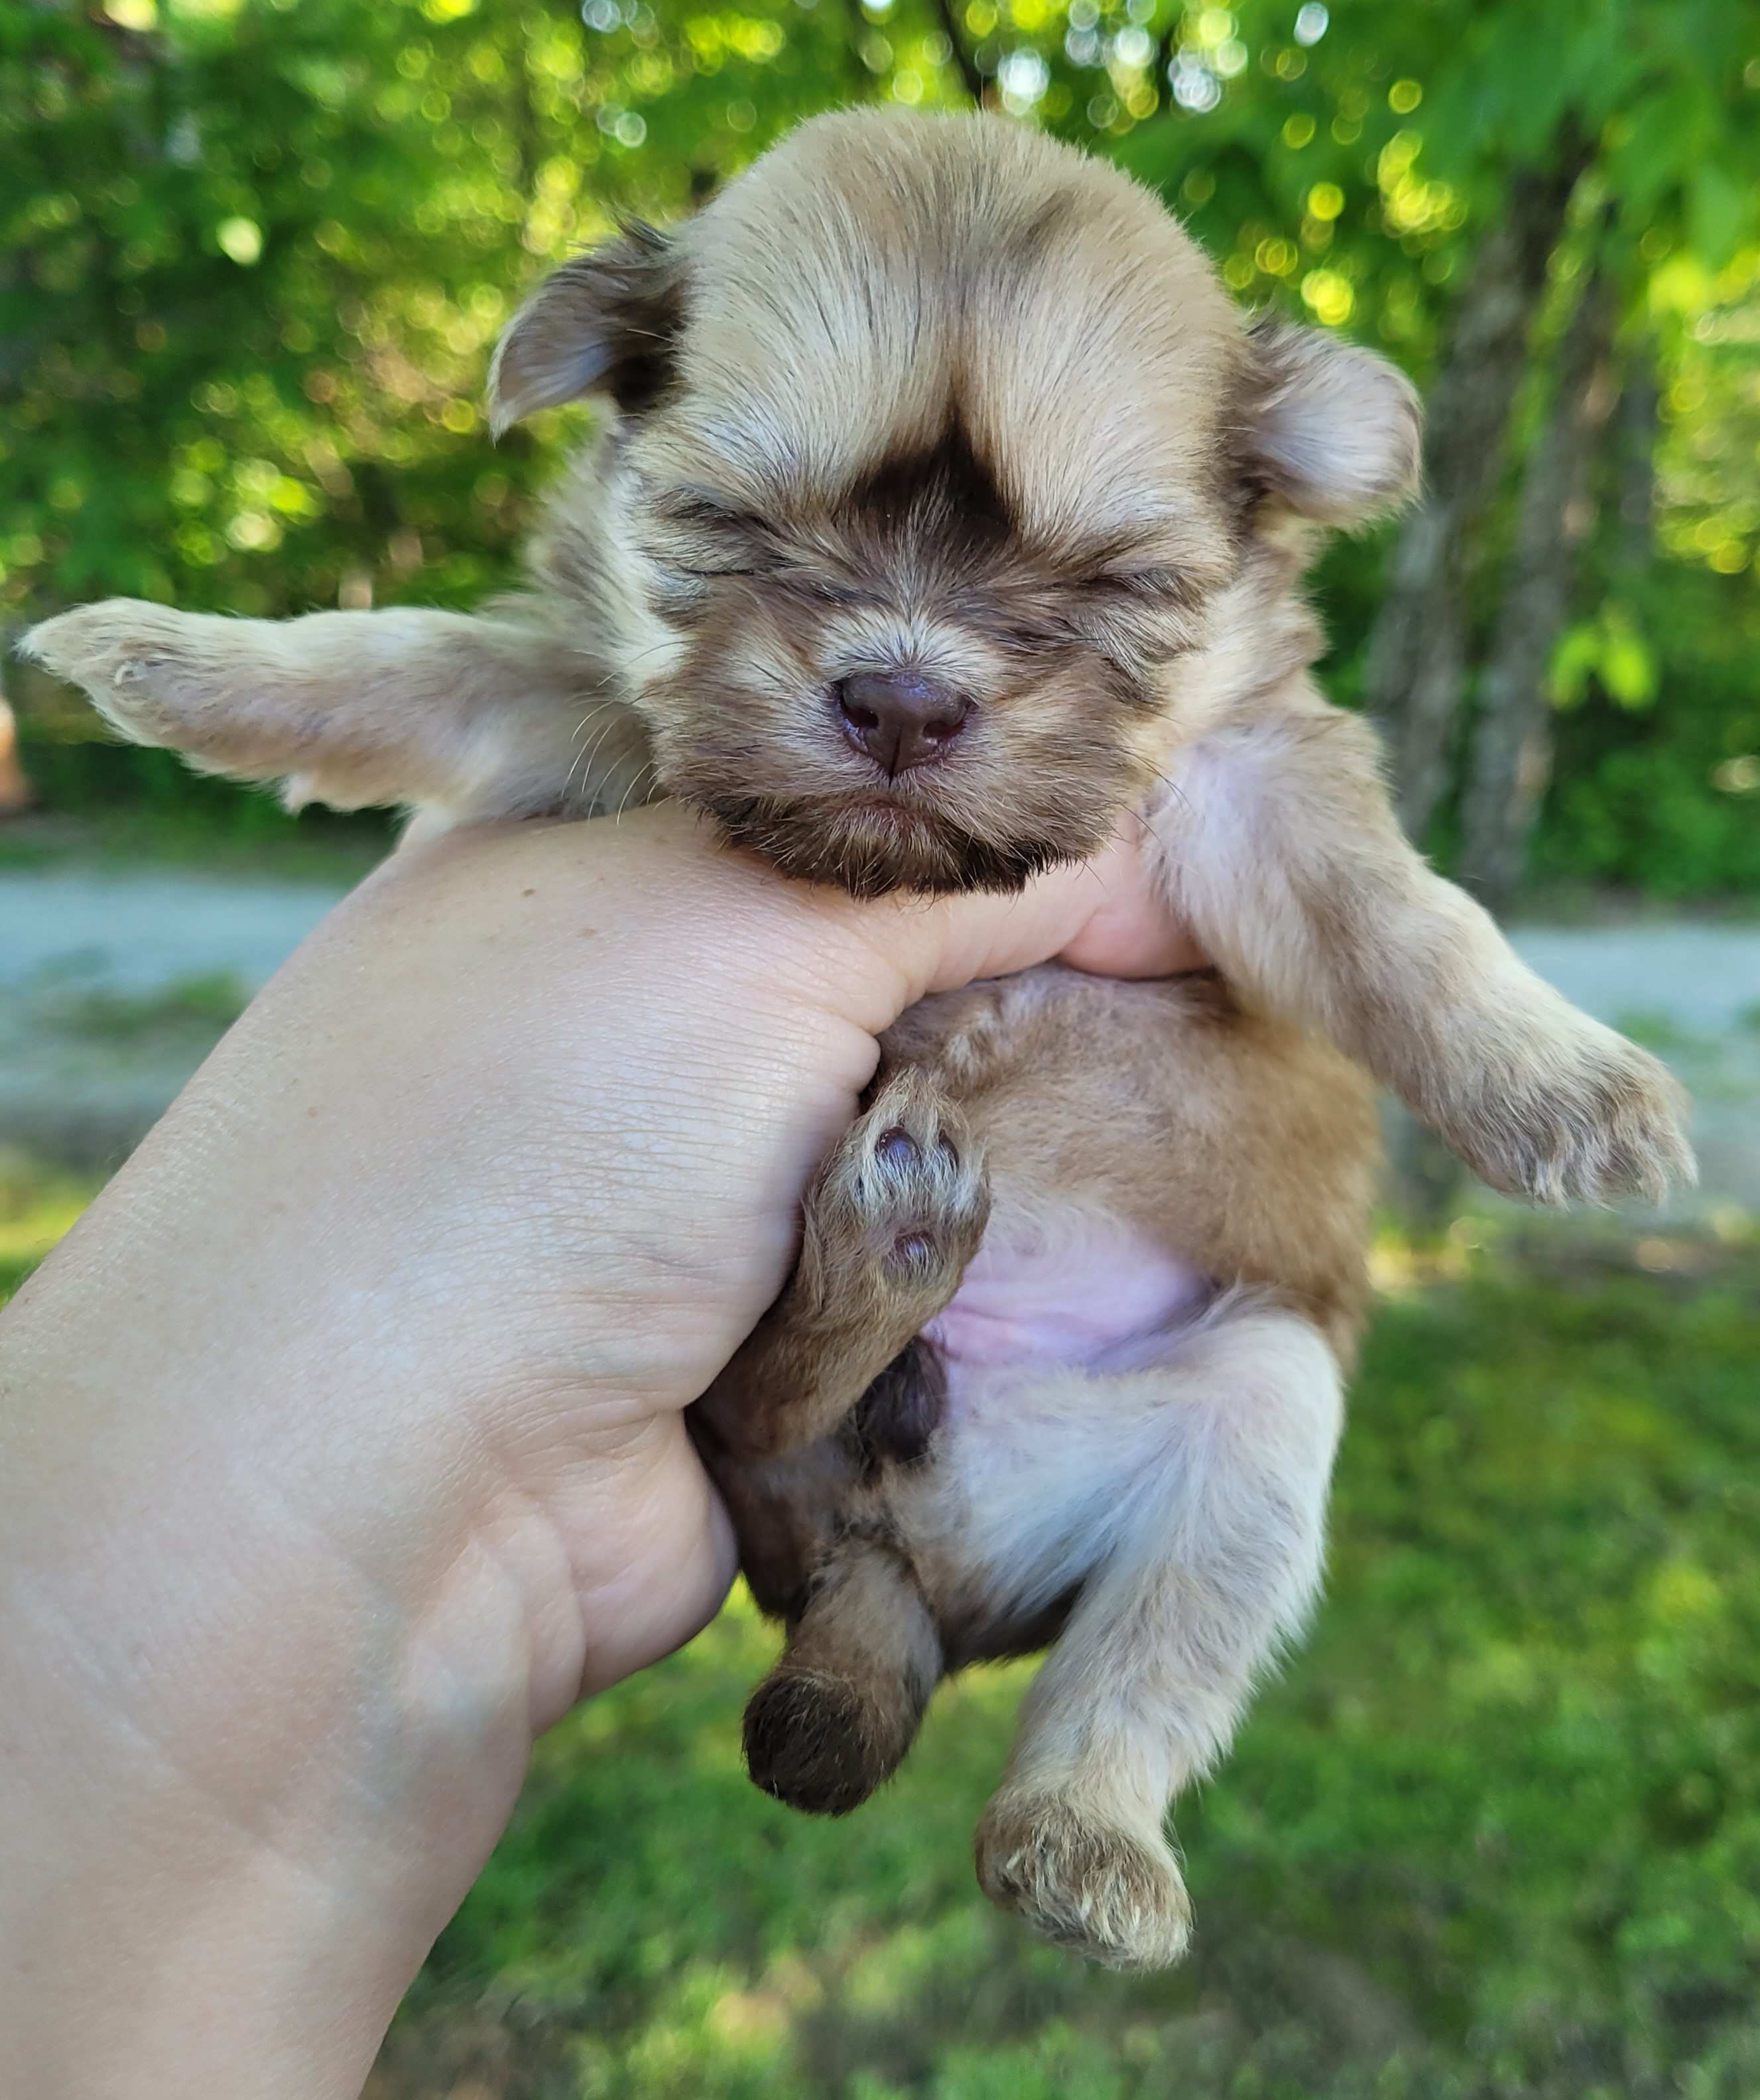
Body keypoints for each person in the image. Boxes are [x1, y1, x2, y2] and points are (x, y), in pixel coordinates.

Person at [0, 803, 1200, 2098]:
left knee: (1270, 1383)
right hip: (840, 1395)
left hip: (1109, 1393)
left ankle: (1100, 1775)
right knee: (794, 1370)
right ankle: (864, 1571)